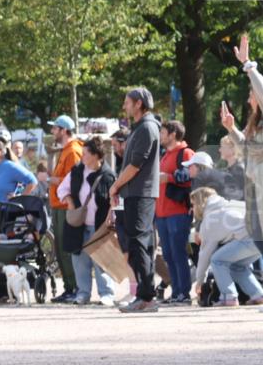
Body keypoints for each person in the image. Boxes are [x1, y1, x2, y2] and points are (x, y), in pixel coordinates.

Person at [109, 87, 162, 313]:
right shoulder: (140, 128)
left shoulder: (147, 128)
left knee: (139, 243)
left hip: (141, 193)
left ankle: (146, 297)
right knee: (139, 243)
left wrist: (115, 185)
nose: (124, 106)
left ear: (138, 103)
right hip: (135, 193)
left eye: (127, 102)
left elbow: (135, 165)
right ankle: (144, 294)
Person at [56, 137, 117, 306]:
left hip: (100, 225)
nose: (82, 156)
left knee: (102, 261)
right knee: (79, 259)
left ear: (96, 156)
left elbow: (116, 199)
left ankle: (107, 294)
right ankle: (83, 293)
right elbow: (62, 189)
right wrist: (70, 202)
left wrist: (112, 218)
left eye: (85, 154)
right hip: (78, 225)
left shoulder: (108, 175)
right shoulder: (77, 171)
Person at [222, 32, 263, 259]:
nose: (249, 100)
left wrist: (248, 65)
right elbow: (247, 151)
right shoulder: (256, 127)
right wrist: (232, 129)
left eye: (251, 96)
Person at [191, 187, 263, 307]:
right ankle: (258, 295)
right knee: (237, 266)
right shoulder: (232, 205)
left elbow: (205, 255)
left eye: (193, 204)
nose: (192, 208)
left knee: (217, 260)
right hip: (258, 239)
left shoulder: (210, 219)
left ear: (199, 203)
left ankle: (229, 297)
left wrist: (200, 281)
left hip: (250, 239)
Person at [156, 120, 194, 304]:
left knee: (179, 253)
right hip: (162, 213)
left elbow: (191, 175)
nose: (160, 135)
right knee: (169, 255)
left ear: (172, 134)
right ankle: (176, 291)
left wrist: (169, 177)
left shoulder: (186, 153)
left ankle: (184, 293)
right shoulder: (165, 155)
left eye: (163, 132)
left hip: (178, 212)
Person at [47, 114, 84, 303]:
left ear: (63, 130)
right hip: (58, 206)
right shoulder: (65, 150)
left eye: (55, 128)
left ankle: (76, 288)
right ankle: (69, 288)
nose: (52, 131)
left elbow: (76, 181)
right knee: (61, 248)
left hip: (65, 206)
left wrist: (52, 180)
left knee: (67, 248)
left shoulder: (73, 151)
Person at [218, 134, 246, 201]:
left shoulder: (239, 169)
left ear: (233, 149)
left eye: (222, 147)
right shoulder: (230, 168)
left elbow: (240, 195)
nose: (219, 150)